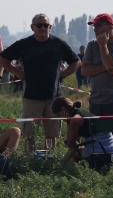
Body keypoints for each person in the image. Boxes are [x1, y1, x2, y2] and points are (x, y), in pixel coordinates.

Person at [0, 14, 80, 151]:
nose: (43, 28)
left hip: (54, 97)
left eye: (46, 25)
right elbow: (3, 58)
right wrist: (17, 72)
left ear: (50, 27)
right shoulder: (23, 44)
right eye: (39, 25)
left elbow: (76, 61)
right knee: (29, 133)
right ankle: (30, 160)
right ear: (32, 27)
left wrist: (63, 74)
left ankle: (47, 160)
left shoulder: (59, 44)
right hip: (31, 96)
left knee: (51, 133)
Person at [81, 13, 113, 150]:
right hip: (96, 99)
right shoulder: (92, 44)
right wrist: (107, 68)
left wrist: (103, 46)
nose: (95, 30)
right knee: (96, 137)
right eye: (94, 27)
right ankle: (99, 165)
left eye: (98, 26)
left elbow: (110, 64)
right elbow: (84, 70)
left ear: (110, 27)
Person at [51, 97, 113, 165]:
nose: (60, 118)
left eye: (59, 115)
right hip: (112, 151)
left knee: (75, 154)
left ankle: (70, 172)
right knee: (79, 150)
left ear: (63, 109)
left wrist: (68, 122)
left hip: (99, 152)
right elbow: (77, 145)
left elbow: (71, 145)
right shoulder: (82, 113)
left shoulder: (75, 120)